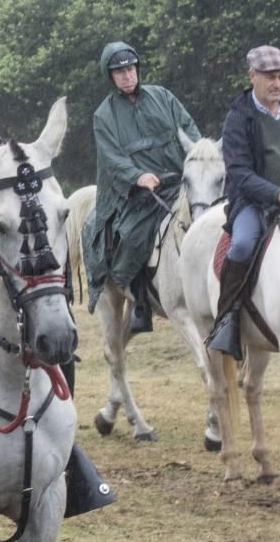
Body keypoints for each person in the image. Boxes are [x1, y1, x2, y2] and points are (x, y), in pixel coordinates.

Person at [206, 46, 280, 360]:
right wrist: (278, 194)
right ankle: (228, 321)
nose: (277, 83)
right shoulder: (238, 117)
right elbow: (239, 173)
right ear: (252, 77)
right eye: (270, 77)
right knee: (243, 245)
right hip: (254, 205)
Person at [85, 41, 201, 333]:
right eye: (119, 71)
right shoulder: (104, 115)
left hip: (177, 181)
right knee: (134, 237)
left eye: (130, 68)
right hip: (137, 193)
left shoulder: (163, 97)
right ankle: (140, 303)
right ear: (110, 76)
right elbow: (112, 158)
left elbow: (189, 131)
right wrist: (138, 176)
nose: (127, 75)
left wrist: (199, 158)